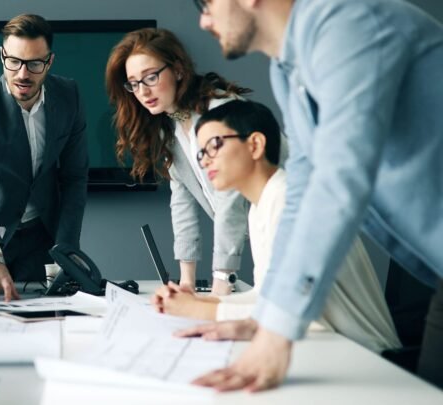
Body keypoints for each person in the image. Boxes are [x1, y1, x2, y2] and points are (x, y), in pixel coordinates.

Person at [185, 0, 443, 390]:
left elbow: (339, 177)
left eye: (206, 4)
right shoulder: (288, 70)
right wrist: (267, 318)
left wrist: (278, 335)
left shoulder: (347, 23)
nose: (204, 20)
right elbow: (304, 188)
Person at [153, 99, 400, 352]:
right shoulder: (262, 205)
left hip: (366, 353)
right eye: (201, 153)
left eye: (214, 145)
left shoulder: (289, 202)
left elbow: (290, 311)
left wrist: (200, 309)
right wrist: (203, 301)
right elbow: (267, 298)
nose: (204, 162)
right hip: (325, 346)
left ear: (255, 145)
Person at [106, 28, 253, 294]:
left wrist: (222, 279)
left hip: (299, 228)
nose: (142, 91)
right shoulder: (170, 129)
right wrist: (186, 282)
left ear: (178, 70)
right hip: (269, 236)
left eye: (150, 77)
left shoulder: (220, 112)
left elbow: (230, 199)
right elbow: (182, 202)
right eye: (134, 83)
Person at [0, 14, 88, 302]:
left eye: (34, 63)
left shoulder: (69, 97)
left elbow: (75, 178)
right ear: (2, 55)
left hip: (42, 234)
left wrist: (67, 248)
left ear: (50, 61)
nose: (22, 74)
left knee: (47, 321)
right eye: (13, 61)